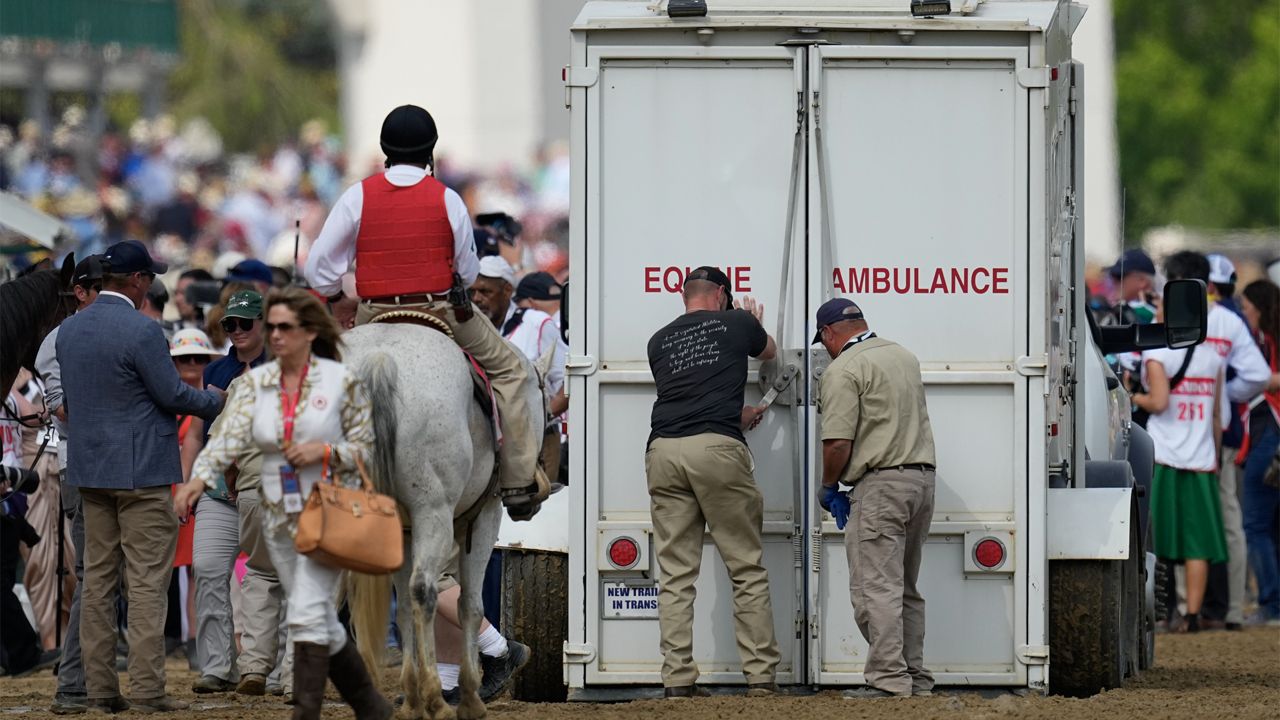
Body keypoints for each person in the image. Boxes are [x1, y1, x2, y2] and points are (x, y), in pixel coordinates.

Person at [304, 104, 547, 521]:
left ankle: (301, 482)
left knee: (310, 381)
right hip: (441, 311)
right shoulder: (447, 198)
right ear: (430, 151)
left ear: (385, 150)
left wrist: (336, 295)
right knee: (514, 372)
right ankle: (519, 481)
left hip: (372, 312)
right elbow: (469, 272)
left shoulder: (356, 195)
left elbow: (318, 269)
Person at [176, 287, 391, 720]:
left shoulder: (260, 382)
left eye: (281, 328)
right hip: (277, 496)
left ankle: (270, 671)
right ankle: (286, 677)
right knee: (294, 590)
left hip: (294, 496)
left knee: (275, 585)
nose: (273, 336)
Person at [56, 239, 224, 713]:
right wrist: (215, 400)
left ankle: (100, 691)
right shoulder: (143, 331)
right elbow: (172, 395)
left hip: (90, 471)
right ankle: (148, 690)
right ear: (136, 281)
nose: (150, 283)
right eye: (148, 276)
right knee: (148, 584)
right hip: (142, 471)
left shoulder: (69, 331)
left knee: (98, 585)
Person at [644, 266, 780, 698]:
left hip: (663, 450)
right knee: (745, 566)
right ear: (722, 294)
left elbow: (689, 393)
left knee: (676, 574)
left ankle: (677, 680)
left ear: (685, 297)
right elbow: (771, 352)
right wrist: (751, 321)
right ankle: (760, 678)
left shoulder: (659, 340)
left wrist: (730, 409)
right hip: (717, 451)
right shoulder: (737, 321)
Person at [813, 298, 936, 698]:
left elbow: (837, 443)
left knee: (874, 589)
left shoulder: (844, 369)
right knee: (905, 588)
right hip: (920, 482)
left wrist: (830, 486)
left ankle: (888, 681)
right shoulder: (903, 356)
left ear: (829, 333)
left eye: (824, 342)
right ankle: (914, 678)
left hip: (881, 485)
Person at [174, 291, 288, 697]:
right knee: (206, 569)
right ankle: (218, 666)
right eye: (230, 324)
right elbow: (199, 435)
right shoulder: (216, 370)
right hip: (220, 489)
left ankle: (272, 668)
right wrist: (190, 483)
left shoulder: (283, 367)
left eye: (246, 323)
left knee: (275, 578)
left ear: (264, 324)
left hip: (268, 486)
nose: (237, 331)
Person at [1164, 251, 1268, 629]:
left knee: (1176, 521)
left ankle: (1182, 608)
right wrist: (1224, 398)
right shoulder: (1227, 320)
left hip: (1174, 435)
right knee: (1226, 518)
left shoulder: (1170, 318)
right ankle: (1232, 610)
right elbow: (1256, 374)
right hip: (1216, 434)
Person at [1131, 296, 1228, 633]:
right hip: (1201, 459)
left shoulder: (1157, 354)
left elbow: (1159, 402)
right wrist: (1214, 455)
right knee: (1198, 544)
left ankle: (1162, 612)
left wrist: (1133, 396)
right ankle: (1192, 616)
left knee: (1159, 541)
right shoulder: (1213, 357)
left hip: (1165, 454)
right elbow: (1216, 415)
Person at [37, 255, 103, 713]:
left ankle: (86, 676)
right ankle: (74, 681)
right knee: (94, 575)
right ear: (79, 292)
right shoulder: (57, 339)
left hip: (102, 463)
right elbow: (63, 410)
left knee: (102, 576)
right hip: (81, 462)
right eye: (104, 286)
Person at [1238, 279, 1280, 626]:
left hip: (1268, 431)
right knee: (1273, 525)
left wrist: (1262, 378)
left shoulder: (1263, 340)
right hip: (1270, 432)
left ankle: (1271, 604)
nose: (1244, 310)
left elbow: (1264, 380)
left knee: (1256, 525)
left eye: (1248, 304)